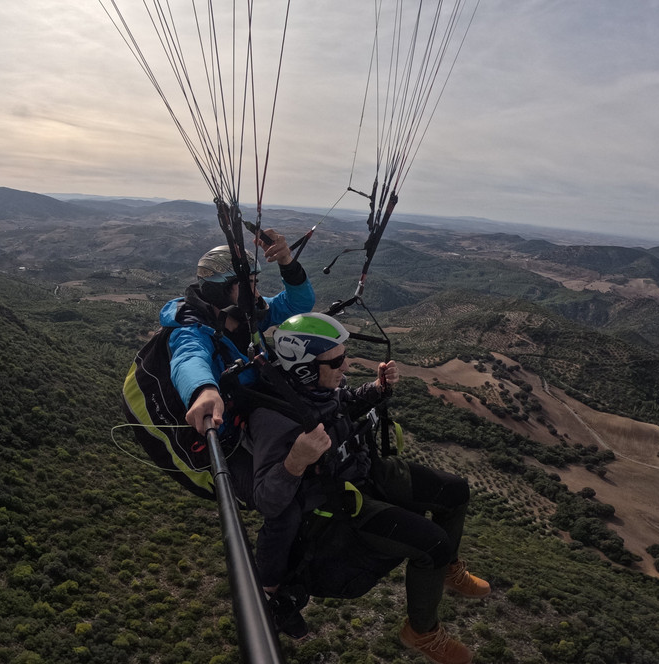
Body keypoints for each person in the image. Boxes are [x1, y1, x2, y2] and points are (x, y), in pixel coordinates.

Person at [246, 312, 490, 663]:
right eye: (338, 361)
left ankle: (449, 568)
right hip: (343, 500)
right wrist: (295, 460)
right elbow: (268, 501)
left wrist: (378, 389)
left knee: (456, 492)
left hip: (366, 471)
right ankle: (422, 631)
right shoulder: (275, 418)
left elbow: (343, 403)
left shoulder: (315, 388)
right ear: (303, 368)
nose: (346, 366)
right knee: (432, 543)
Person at [159, 230, 315, 438]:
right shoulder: (191, 331)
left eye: (255, 283)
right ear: (220, 292)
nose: (257, 294)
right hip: (232, 430)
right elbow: (189, 359)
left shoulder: (248, 314)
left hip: (261, 405)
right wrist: (204, 390)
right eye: (249, 284)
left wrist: (287, 262)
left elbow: (298, 303)